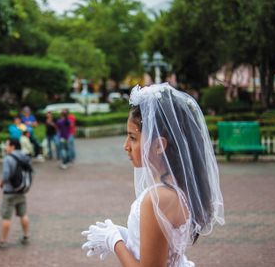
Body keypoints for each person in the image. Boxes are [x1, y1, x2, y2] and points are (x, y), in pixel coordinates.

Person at [82, 83, 225, 266]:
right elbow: (161, 247)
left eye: (133, 138)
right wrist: (126, 236)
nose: (125, 146)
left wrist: (114, 242)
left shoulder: (158, 199)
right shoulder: (177, 187)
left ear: (158, 145)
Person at [0, 139, 31, 249]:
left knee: (6, 217)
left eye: (7, 145)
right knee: (23, 214)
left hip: (9, 192)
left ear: (12, 146)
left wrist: (1, 182)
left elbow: (6, 174)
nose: (5, 147)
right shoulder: (24, 156)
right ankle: (26, 236)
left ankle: (3, 241)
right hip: (21, 190)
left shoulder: (8, 158)